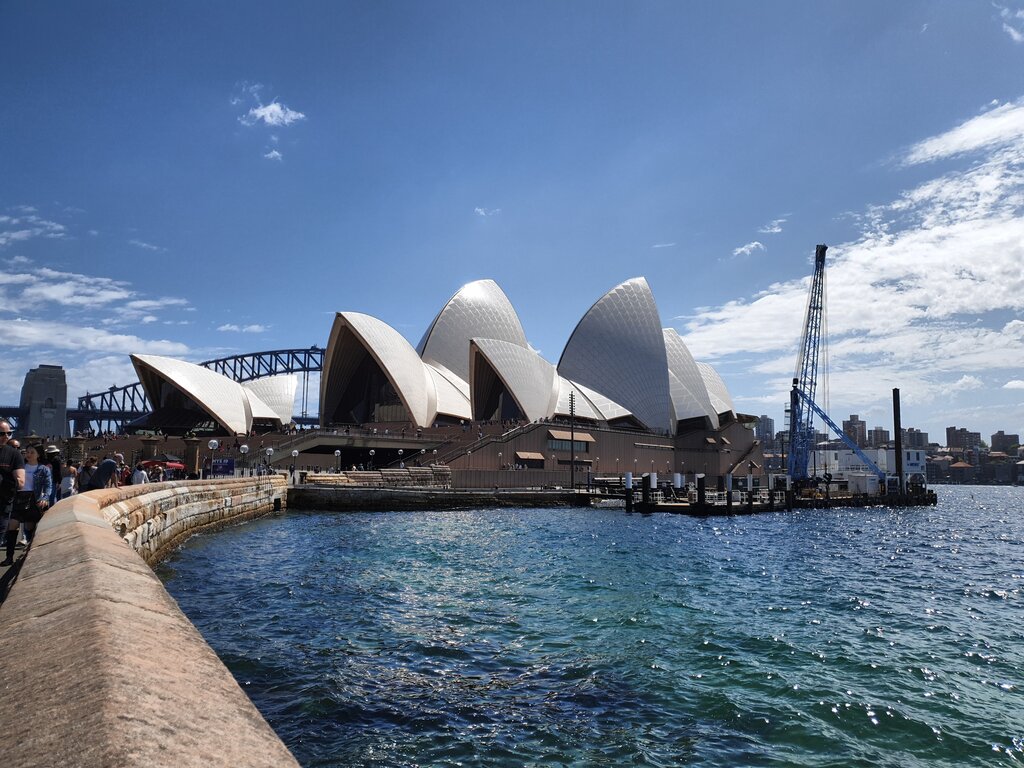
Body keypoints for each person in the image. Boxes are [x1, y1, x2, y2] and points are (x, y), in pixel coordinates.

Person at [6, 445, 51, 563]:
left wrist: (45, 497)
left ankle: (28, 556)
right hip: (19, 498)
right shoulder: (20, 466)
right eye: (27, 452)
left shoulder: (44, 469)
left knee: (29, 527)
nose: (28, 454)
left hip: (33, 498)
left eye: (32, 452)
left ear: (38, 455)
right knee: (13, 525)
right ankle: (9, 557)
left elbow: (48, 486)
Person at [0, 421, 26, 566]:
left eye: (8, 433)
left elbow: (21, 482)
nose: (5, 436)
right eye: (2, 433)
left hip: (4, 504)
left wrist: (17, 480)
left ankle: (9, 556)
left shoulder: (14, 455)